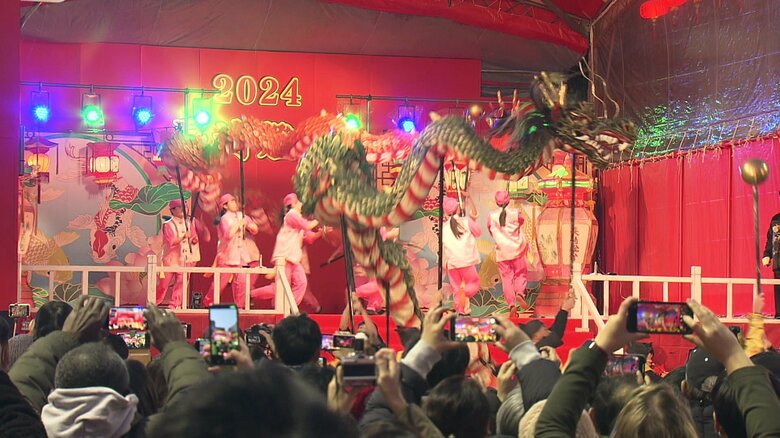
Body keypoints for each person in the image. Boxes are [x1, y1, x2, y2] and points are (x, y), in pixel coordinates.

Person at [9, 297, 211, 437]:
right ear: (127, 393)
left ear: (58, 388)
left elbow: (19, 387)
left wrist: (67, 336)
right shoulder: (159, 431)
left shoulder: (24, 427)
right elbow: (196, 410)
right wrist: (174, 345)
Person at [251, 193, 320, 307]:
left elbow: (310, 237)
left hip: (293, 258)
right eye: (298, 202)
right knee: (280, 288)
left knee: (301, 283)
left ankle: (289, 307)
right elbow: (307, 226)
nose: (301, 204)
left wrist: (321, 232)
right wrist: (319, 218)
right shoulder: (291, 215)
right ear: (292, 204)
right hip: (284, 257)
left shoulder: (297, 219)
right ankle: (252, 295)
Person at [205, 194, 258, 307]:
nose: (235, 203)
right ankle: (208, 302)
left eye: (235, 200)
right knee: (220, 284)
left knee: (242, 282)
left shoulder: (242, 215)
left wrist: (249, 225)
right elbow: (228, 234)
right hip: (227, 256)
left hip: (240, 256)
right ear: (225, 206)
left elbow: (254, 229)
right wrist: (240, 224)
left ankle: (239, 306)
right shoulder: (224, 219)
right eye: (232, 201)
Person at [157, 199, 211, 309]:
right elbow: (171, 242)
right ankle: (154, 303)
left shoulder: (191, 222)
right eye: (180, 207)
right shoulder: (168, 224)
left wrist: (197, 235)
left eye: (185, 207)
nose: (183, 209)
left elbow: (204, 237)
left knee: (181, 284)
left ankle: (174, 305)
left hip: (186, 259)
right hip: (171, 260)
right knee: (163, 285)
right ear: (172, 210)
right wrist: (184, 236)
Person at [487, 190, 528, 316]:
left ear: (496, 202)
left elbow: (490, 230)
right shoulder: (516, 213)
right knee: (520, 273)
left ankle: (511, 305)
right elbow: (521, 222)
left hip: (502, 252)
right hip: (517, 249)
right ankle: (520, 293)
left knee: (506, 279)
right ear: (508, 200)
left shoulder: (491, 216)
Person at [442, 196, 482, 315]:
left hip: (452, 262)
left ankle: (460, 310)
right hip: (466, 261)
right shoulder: (466, 221)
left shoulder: (444, 227)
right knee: (473, 283)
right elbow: (478, 232)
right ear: (458, 209)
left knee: (456, 288)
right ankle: (466, 292)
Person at [761, 211, 780, 318]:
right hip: (778, 262)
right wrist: (767, 255)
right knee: (778, 288)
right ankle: (779, 315)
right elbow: (770, 240)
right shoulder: (776, 219)